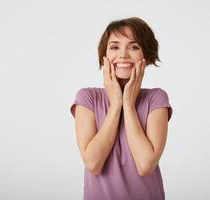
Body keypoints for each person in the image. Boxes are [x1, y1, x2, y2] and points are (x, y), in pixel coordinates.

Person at [70, 16, 173, 200]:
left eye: (134, 47)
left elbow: (145, 165)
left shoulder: (156, 98)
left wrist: (128, 104)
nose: (123, 55)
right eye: (114, 47)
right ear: (105, 56)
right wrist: (116, 103)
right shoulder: (87, 98)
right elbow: (93, 163)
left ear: (146, 56)